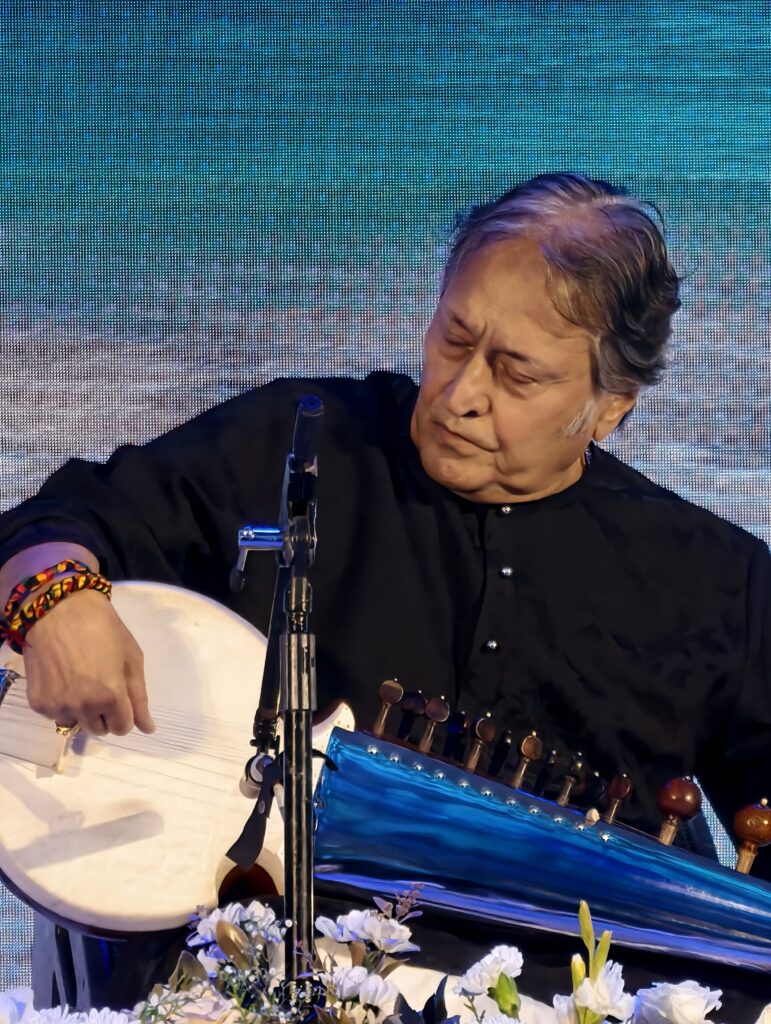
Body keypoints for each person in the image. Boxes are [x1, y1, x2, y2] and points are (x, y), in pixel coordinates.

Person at [0, 173, 769, 1016]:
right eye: (453, 337)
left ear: (609, 406)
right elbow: (67, 519)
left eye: (515, 375)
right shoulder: (304, 445)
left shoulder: (711, 578)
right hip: (257, 978)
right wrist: (55, 598)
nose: (460, 394)